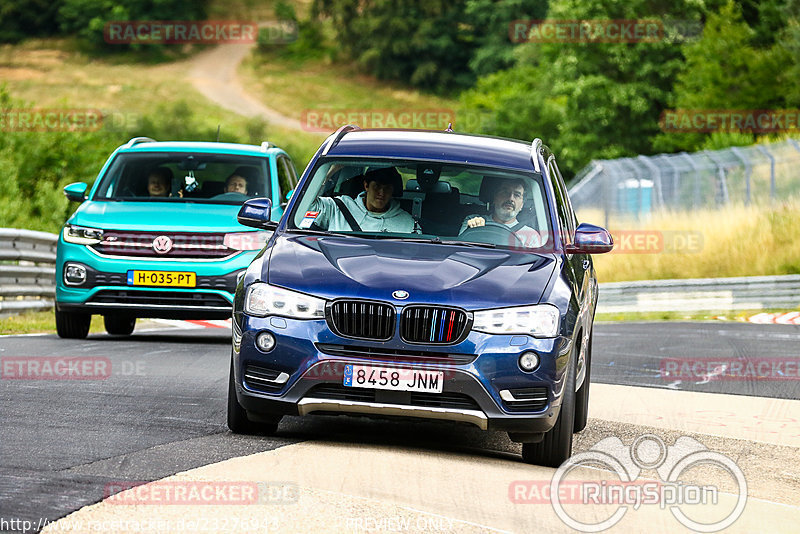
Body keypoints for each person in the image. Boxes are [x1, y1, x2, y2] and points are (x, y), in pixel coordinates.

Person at [306, 167, 418, 233]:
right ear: (366, 185)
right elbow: (305, 206)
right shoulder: (337, 208)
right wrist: (333, 169)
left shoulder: (408, 224)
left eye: (387, 188)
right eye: (377, 186)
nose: (381, 193)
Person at [459, 177, 542, 247]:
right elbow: (460, 250)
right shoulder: (473, 221)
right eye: (505, 192)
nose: (511, 199)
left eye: (517, 195)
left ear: (522, 205)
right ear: (494, 198)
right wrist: (472, 231)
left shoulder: (531, 236)